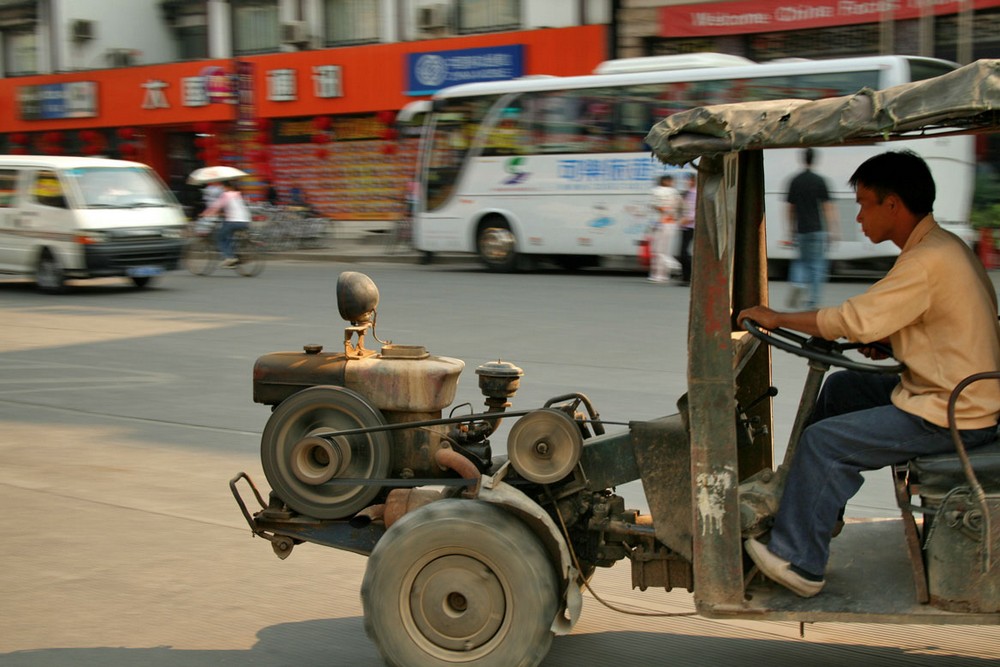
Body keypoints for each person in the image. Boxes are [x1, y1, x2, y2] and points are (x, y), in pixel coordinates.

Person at [737, 150, 1000, 598]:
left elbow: (852, 320)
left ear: (893, 205)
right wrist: (893, 343)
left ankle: (800, 562)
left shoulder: (925, 261)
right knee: (843, 389)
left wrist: (778, 318)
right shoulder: (941, 247)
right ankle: (819, 513)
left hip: (952, 411)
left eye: (864, 204)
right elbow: (928, 326)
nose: (858, 216)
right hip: (953, 390)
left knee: (825, 443)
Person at [785, 148, 839, 309]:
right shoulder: (819, 181)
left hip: (801, 229)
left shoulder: (795, 181)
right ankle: (813, 302)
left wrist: (790, 230)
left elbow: (790, 209)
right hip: (817, 229)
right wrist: (833, 230)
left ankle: (798, 282)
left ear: (803, 159)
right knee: (817, 265)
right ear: (814, 159)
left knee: (801, 261)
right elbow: (827, 207)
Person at [199, 180, 250, 268]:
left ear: (227, 187)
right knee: (228, 236)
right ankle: (233, 256)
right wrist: (222, 213)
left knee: (220, 238)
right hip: (245, 221)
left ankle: (229, 258)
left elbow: (216, 206)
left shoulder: (226, 195)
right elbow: (233, 208)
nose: (222, 189)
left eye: (223, 187)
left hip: (233, 221)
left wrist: (205, 214)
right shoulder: (238, 195)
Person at [648, 174, 682, 283]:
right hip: (671, 223)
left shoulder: (656, 191)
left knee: (658, 250)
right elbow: (679, 207)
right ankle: (663, 275)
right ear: (666, 181)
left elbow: (654, 206)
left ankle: (659, 274)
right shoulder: (674, 192)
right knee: (665, 250)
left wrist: (664, 211)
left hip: (661, 223)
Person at [676, 183, 697, 285]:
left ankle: (688, 276)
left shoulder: (694, 192)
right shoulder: (689, 192)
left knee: (684, 252)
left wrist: (687, 219)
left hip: (690, 225)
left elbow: (694, 209)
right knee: (683, 252)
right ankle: (685, 276)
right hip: (685, 226)